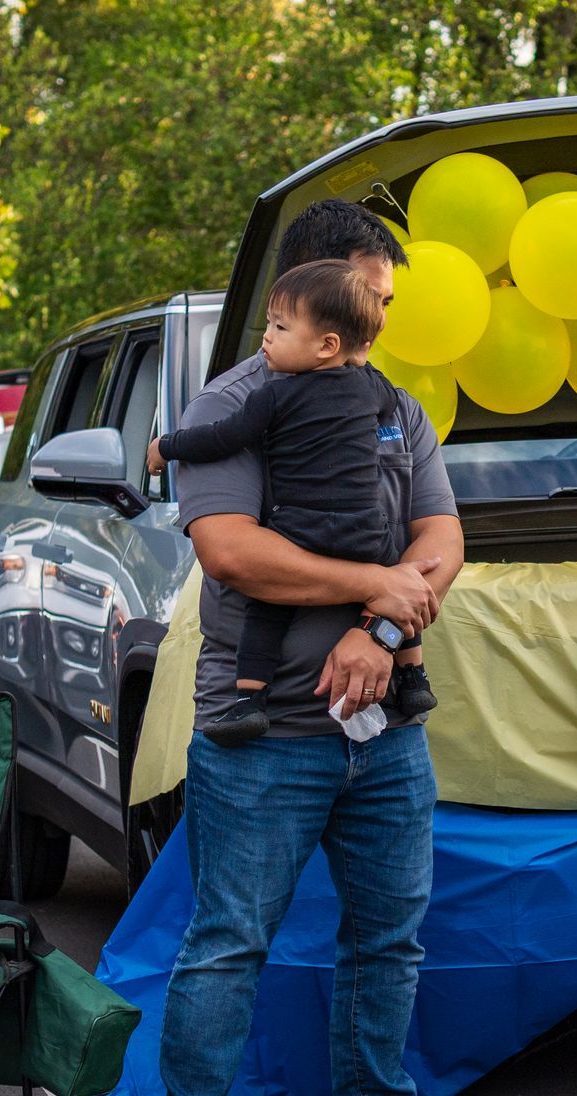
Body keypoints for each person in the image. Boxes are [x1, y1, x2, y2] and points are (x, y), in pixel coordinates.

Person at [149, 200, 463, 1096]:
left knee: (389, 934)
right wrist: (374, 586)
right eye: (374, 293)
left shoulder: (395, 405)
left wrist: (378, 632)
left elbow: (442, 539)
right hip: (264, 731)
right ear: (320, 288)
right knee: (230, 938)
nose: (384, 314)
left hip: (383, 728)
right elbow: (231, 550)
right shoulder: (237, 403)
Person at [148, 259, 435, 744]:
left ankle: (250, 700)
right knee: (399, 582)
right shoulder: (374, 387)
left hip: (305, 531)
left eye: (279, 327)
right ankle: (414, 678)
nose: (266, 338)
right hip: (367, 532)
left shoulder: (273, 397)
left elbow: (223, 437)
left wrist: (167, 446)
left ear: (326, 344)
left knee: (268, 605)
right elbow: (387, 402)